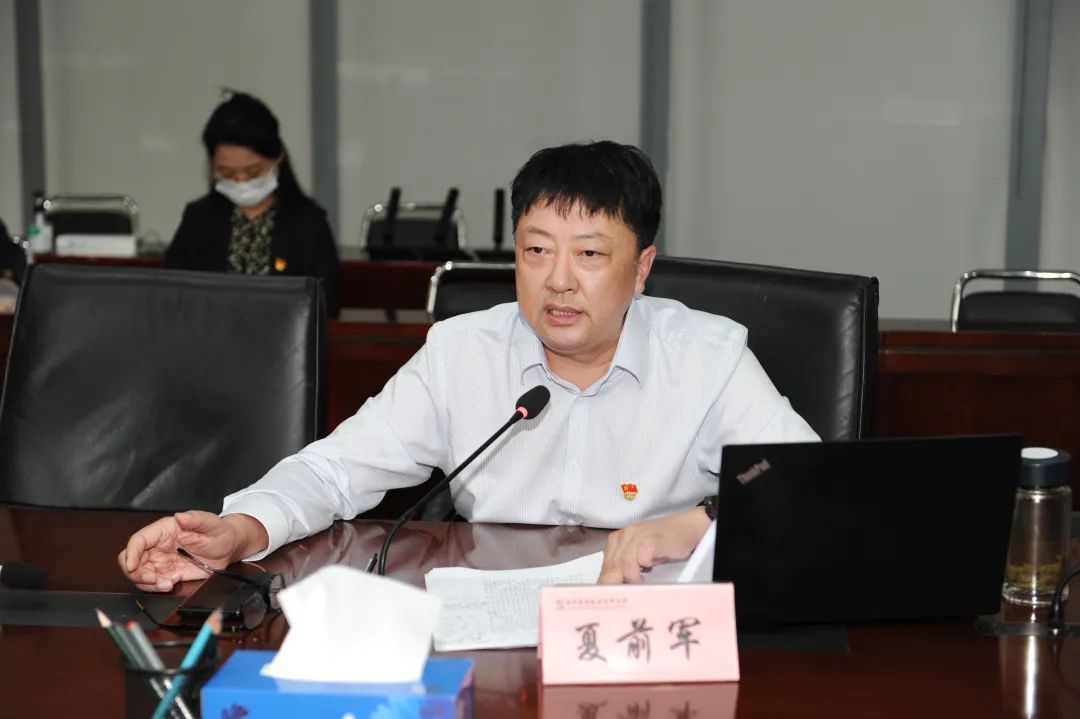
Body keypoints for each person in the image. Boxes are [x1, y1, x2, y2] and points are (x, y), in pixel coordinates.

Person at [119, 140, 818, 591]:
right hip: (494, 625)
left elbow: (808, 486)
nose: (558, 281)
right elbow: (334, 470)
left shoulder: (707, 357)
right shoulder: (463, 352)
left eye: (590, 254)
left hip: (648, 629)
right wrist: (241, 528)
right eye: (536, 250)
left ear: (641, 269)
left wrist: (695, 522)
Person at [165, 91, 341, 316]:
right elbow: (171, 298)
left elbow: (326, 305)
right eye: (227, 173)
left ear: (277, 157)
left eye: (253, 171)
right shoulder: (198, 220)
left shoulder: (308, 224)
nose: (241, 181)